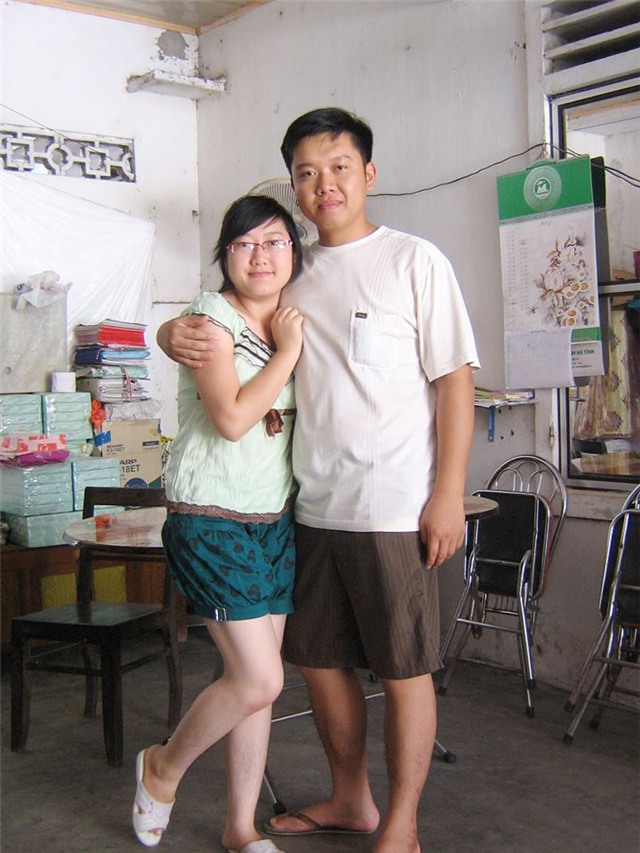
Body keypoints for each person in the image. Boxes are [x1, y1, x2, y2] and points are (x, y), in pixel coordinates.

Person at [157, 107, 480, 853]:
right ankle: (351, 799)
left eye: (338, 168)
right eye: (306, 173)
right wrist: (168, 332)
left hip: (393, 505)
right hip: (308, 507)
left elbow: (455, 381)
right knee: (318, 662)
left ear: (368, 174)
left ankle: (401, 824)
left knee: (403, 667)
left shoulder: (414, 261)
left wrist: (446, 493)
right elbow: (222, 318)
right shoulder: (291, 270)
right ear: (294, 187)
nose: (323, 184)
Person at [133, 194, 304, 853]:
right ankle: (163, 766)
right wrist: (289, 352)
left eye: (275, 241)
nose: (261, 256)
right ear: (224, 255)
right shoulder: (210, 319)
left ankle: (240, 828)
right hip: (210, 516)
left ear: (294, 252)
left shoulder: (289, 314)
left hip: (273, 517)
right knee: (260, 678)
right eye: (244, 243)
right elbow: (231, 418)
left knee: (253, 688)